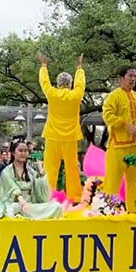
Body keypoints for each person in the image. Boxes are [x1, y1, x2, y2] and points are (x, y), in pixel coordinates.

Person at [102, 65, 136, 213]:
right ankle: (107, 212)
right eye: (130, 76)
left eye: (135, 76)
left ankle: (134, 213)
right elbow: (107, 115)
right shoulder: (114, 96)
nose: (133, 79)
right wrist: (124, 124)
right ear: (121, 78)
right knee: (112, 182)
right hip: (118, 146)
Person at [38, 53, 85, 202]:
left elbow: (44, 82)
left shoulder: (52, 94)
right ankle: (75, 197)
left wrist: (44, 66)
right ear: (70, 84)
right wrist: (79, 68)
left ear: (58, 84)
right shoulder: (76, 95)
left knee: (50, 169)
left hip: (53, 136)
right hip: (71, 137)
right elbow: (80, 84)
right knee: (72, 169)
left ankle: (47, 197)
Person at [0, 139, 62, 219]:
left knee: (57, 206)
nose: (23, 153)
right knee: (13, 209)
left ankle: (31, 215)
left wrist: (41, 173)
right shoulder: (7, 171)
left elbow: (43, 196)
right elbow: (13, 189)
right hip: (17, 204)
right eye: (20, 151)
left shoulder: (30, 171)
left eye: (26, 151)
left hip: (31, 205)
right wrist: (23, 202)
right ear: (13, 153)